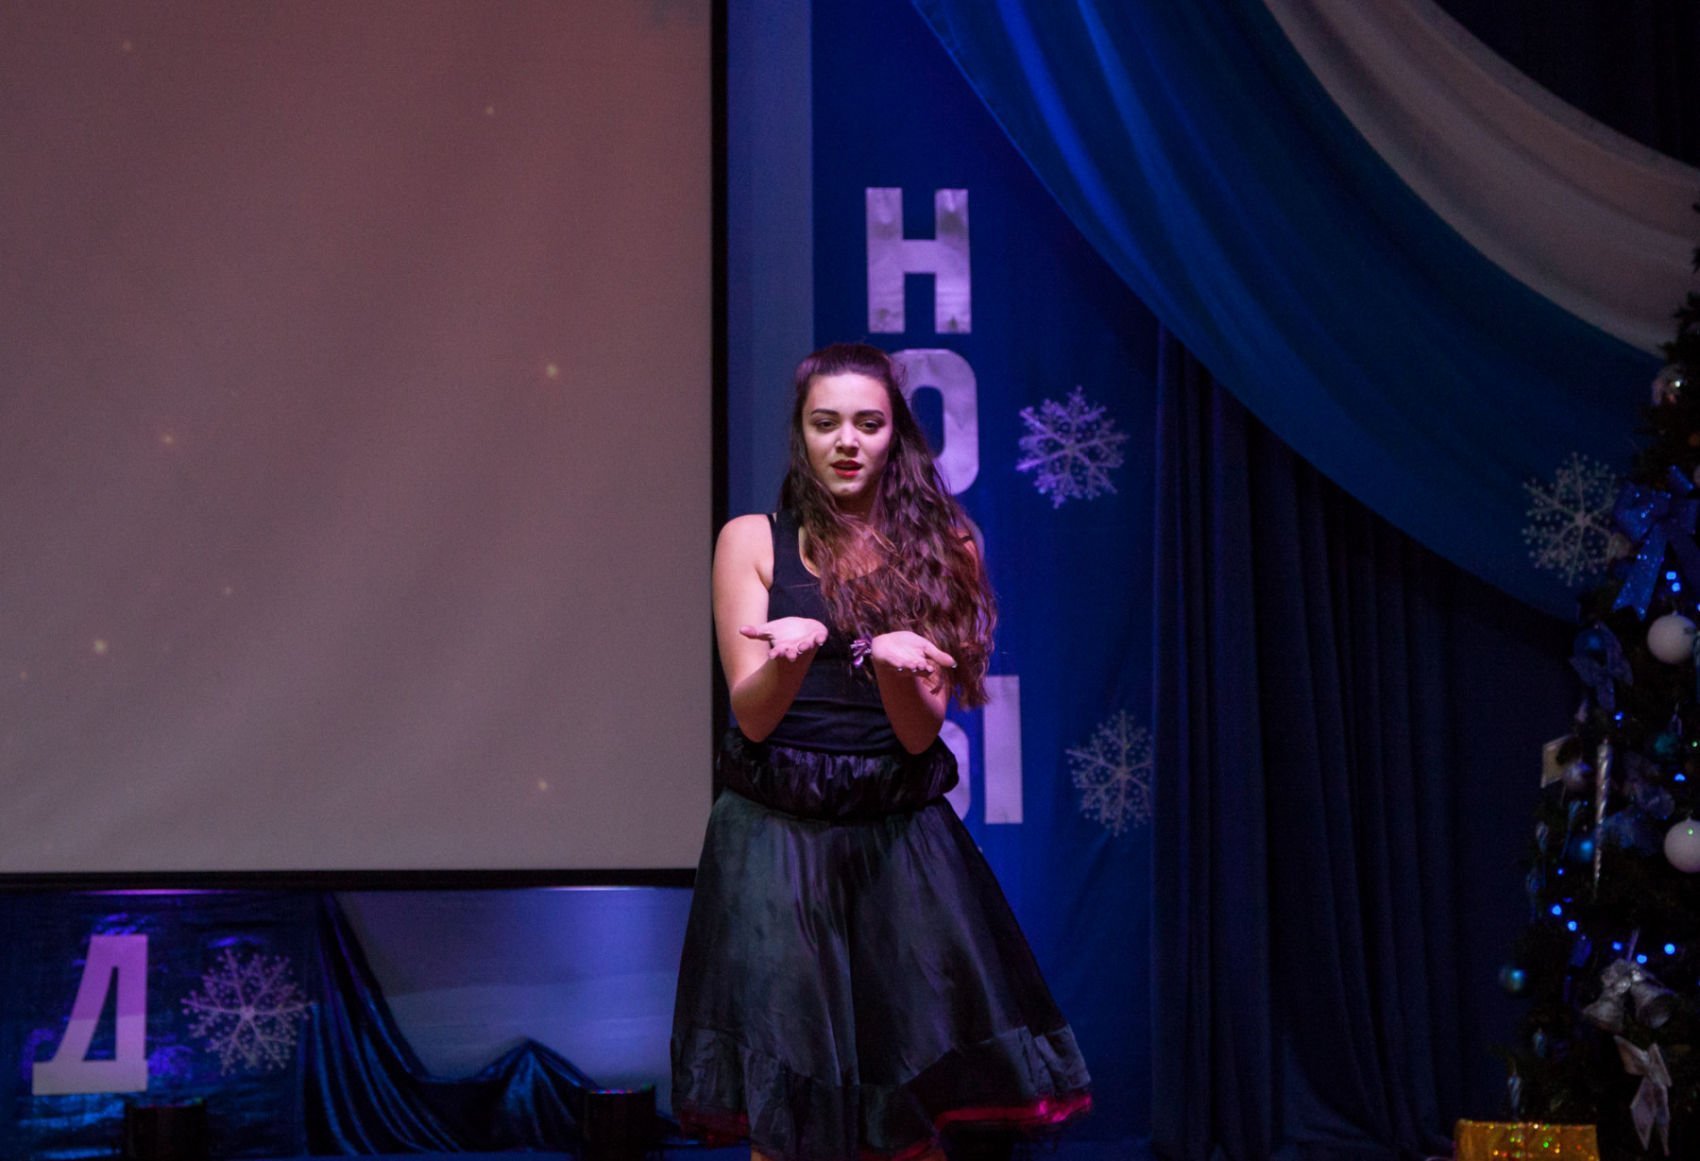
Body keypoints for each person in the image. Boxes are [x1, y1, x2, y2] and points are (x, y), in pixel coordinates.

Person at [671, 343, 1090, 1161]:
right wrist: (791, 657)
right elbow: (752, 719)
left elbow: (919, 734)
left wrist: (899, 664)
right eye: (825, 423)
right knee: (786, 1094)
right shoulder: (752, 540)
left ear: (896, 433)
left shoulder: (947, 545)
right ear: (801, 433)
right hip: (774, 836)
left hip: (897, 839)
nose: (846, 441)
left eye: (868, 423)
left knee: (907, 1099)